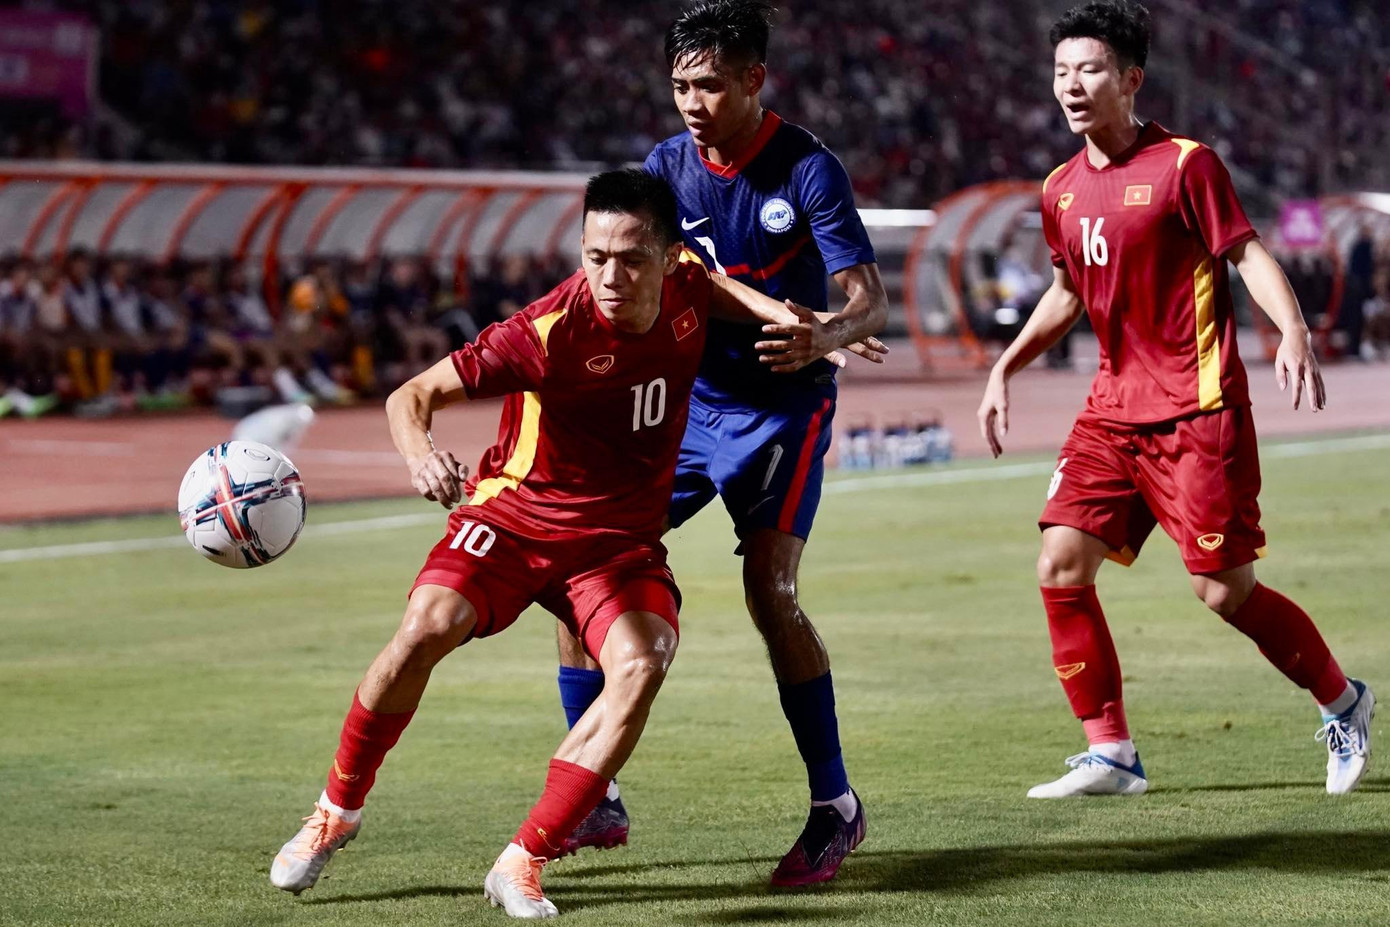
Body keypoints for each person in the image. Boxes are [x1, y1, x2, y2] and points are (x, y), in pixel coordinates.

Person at [268, 169, 880, 918]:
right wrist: (420, 453)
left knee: (644, 660)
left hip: (616, 545)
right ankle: (336, 809)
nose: (609, 276)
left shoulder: (687, 287)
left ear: (665, 256)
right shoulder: (546, 331)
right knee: (425, 626)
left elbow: (716, 287)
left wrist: (801, 321)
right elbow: (410, 396)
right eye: (594, 257)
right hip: (516, 519)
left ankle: (523, 858)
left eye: (628, 258)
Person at [976, 0, 1374, 799]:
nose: (1071, 86)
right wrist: (1005, 366)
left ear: (1131, 79)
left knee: (1224, 590)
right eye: (1061, 73)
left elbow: (1247, 253)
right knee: (1059, 563)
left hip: (1198, 410)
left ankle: (1344, 700)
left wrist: (1292, 328)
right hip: (1111, 410)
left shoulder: (1187, 165)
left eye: (1089, 70)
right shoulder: (1058, 188)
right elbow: (1065, 292)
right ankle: (1111, 751)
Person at [550, 0, 889, 886]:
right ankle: (598, 792)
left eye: (708, 84)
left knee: (768, 591)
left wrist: (827, 333)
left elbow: (869, 300)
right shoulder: (666, 166)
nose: (692, 103)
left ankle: (835, 807)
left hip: (786, 405)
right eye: (678, 86)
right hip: (692, 405)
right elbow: (655, 278)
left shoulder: (808, 168)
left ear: (753, 80)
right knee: (582, 566)